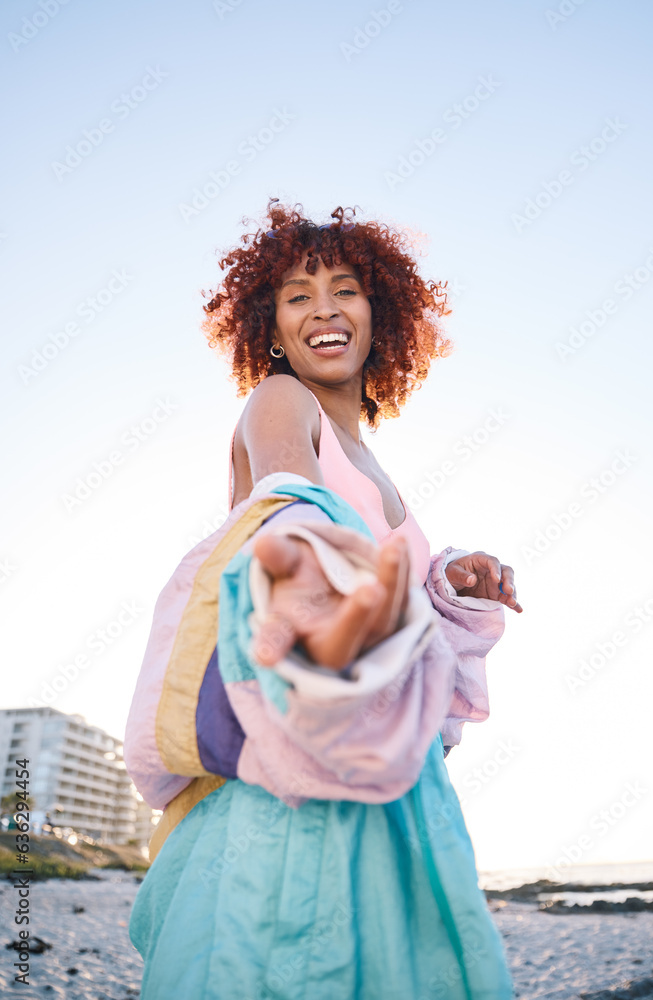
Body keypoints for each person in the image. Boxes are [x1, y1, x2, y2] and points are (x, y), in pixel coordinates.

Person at [125, 199, 522, 999]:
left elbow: (387, 607)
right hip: (299, 769)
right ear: (270, 328)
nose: (324, 310)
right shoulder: (282, 401)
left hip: (397, 783)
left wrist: (447, 582)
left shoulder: (376, 461)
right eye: (297, 296)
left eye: (345, 289)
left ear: (381, 314)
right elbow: (290, 520)